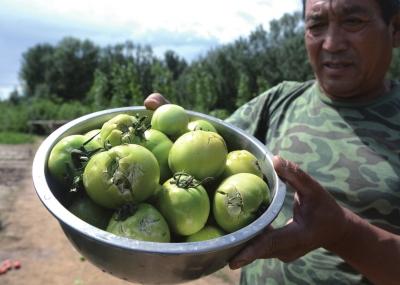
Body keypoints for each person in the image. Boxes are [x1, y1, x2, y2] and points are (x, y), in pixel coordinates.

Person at [144, 0, 400, 284]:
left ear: (396, 28)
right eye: (316, 25)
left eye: (353, 22)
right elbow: (208, 154)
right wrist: (172, 134)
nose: (331, 44)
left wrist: (344, 233)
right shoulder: (278, 102)